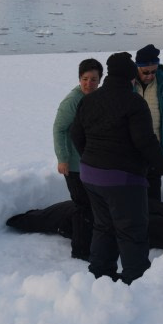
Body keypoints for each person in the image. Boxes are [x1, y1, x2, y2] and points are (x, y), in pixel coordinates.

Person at [71, 52, 163, 284]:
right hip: (123, 180)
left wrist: (90, 157)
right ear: (131, 78)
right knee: (132, 231)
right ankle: (135, 282)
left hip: (90, 175)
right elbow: (145, 142)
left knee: (103, 227)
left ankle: (100, 276)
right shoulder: (134, 102)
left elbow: (75, 133)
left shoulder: (89, 100)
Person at [52, 58, 103, 260]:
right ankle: (81, 250)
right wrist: (62, 158)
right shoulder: (72, 101)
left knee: (89, 204)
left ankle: (75, 233)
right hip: (73, 164)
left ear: (100, 80)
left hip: (90, 161)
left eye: (93, 79)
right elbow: (59, 129)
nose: (88, 84)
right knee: (83, 205)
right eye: (84, 79)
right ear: (79, 79)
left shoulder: (97, 97)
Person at [133, 44, 163, 201]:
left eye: (154, 71)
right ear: (137, 68)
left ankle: (155, 217)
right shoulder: (128, 81)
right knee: (135, 185)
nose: (149, 75)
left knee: (153, 183)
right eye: (145, 72)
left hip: (157, 143)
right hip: (133, 145)